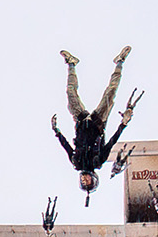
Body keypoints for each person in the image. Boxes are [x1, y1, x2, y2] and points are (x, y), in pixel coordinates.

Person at [52, 47, 141, 199]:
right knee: (110, 92)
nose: (84, 179)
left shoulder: (76, 162)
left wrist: (57, 131)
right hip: (98, 122)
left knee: (70, 93)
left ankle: (71, 64)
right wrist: (123, 124)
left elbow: (66, 146)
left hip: (80, 120)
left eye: (83, 182)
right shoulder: (98, 161)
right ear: (93, 178)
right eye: (87, 181)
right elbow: (112, 142)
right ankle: (120, 62)